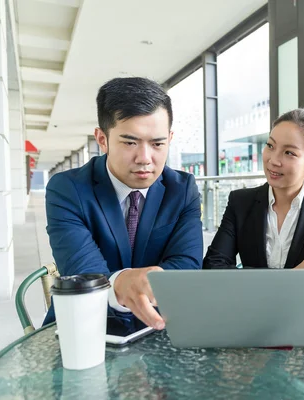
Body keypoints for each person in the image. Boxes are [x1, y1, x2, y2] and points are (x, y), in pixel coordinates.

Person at [44, 77, 203, 331]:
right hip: (84, 325)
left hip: (160, 326)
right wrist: (121, 282)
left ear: (170, 138)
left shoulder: (182, 190)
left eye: (158, 143)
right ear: (102, 139)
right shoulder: (67, 189)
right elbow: (83, 272)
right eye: (130, 142)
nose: (145, 158)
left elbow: (186, 266)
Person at [203, 109, 304, 270]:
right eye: (270, 145)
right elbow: (213, 265)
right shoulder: (240, 202)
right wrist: (292, 276)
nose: (273, 160)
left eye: (289, 153)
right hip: (253, 296)